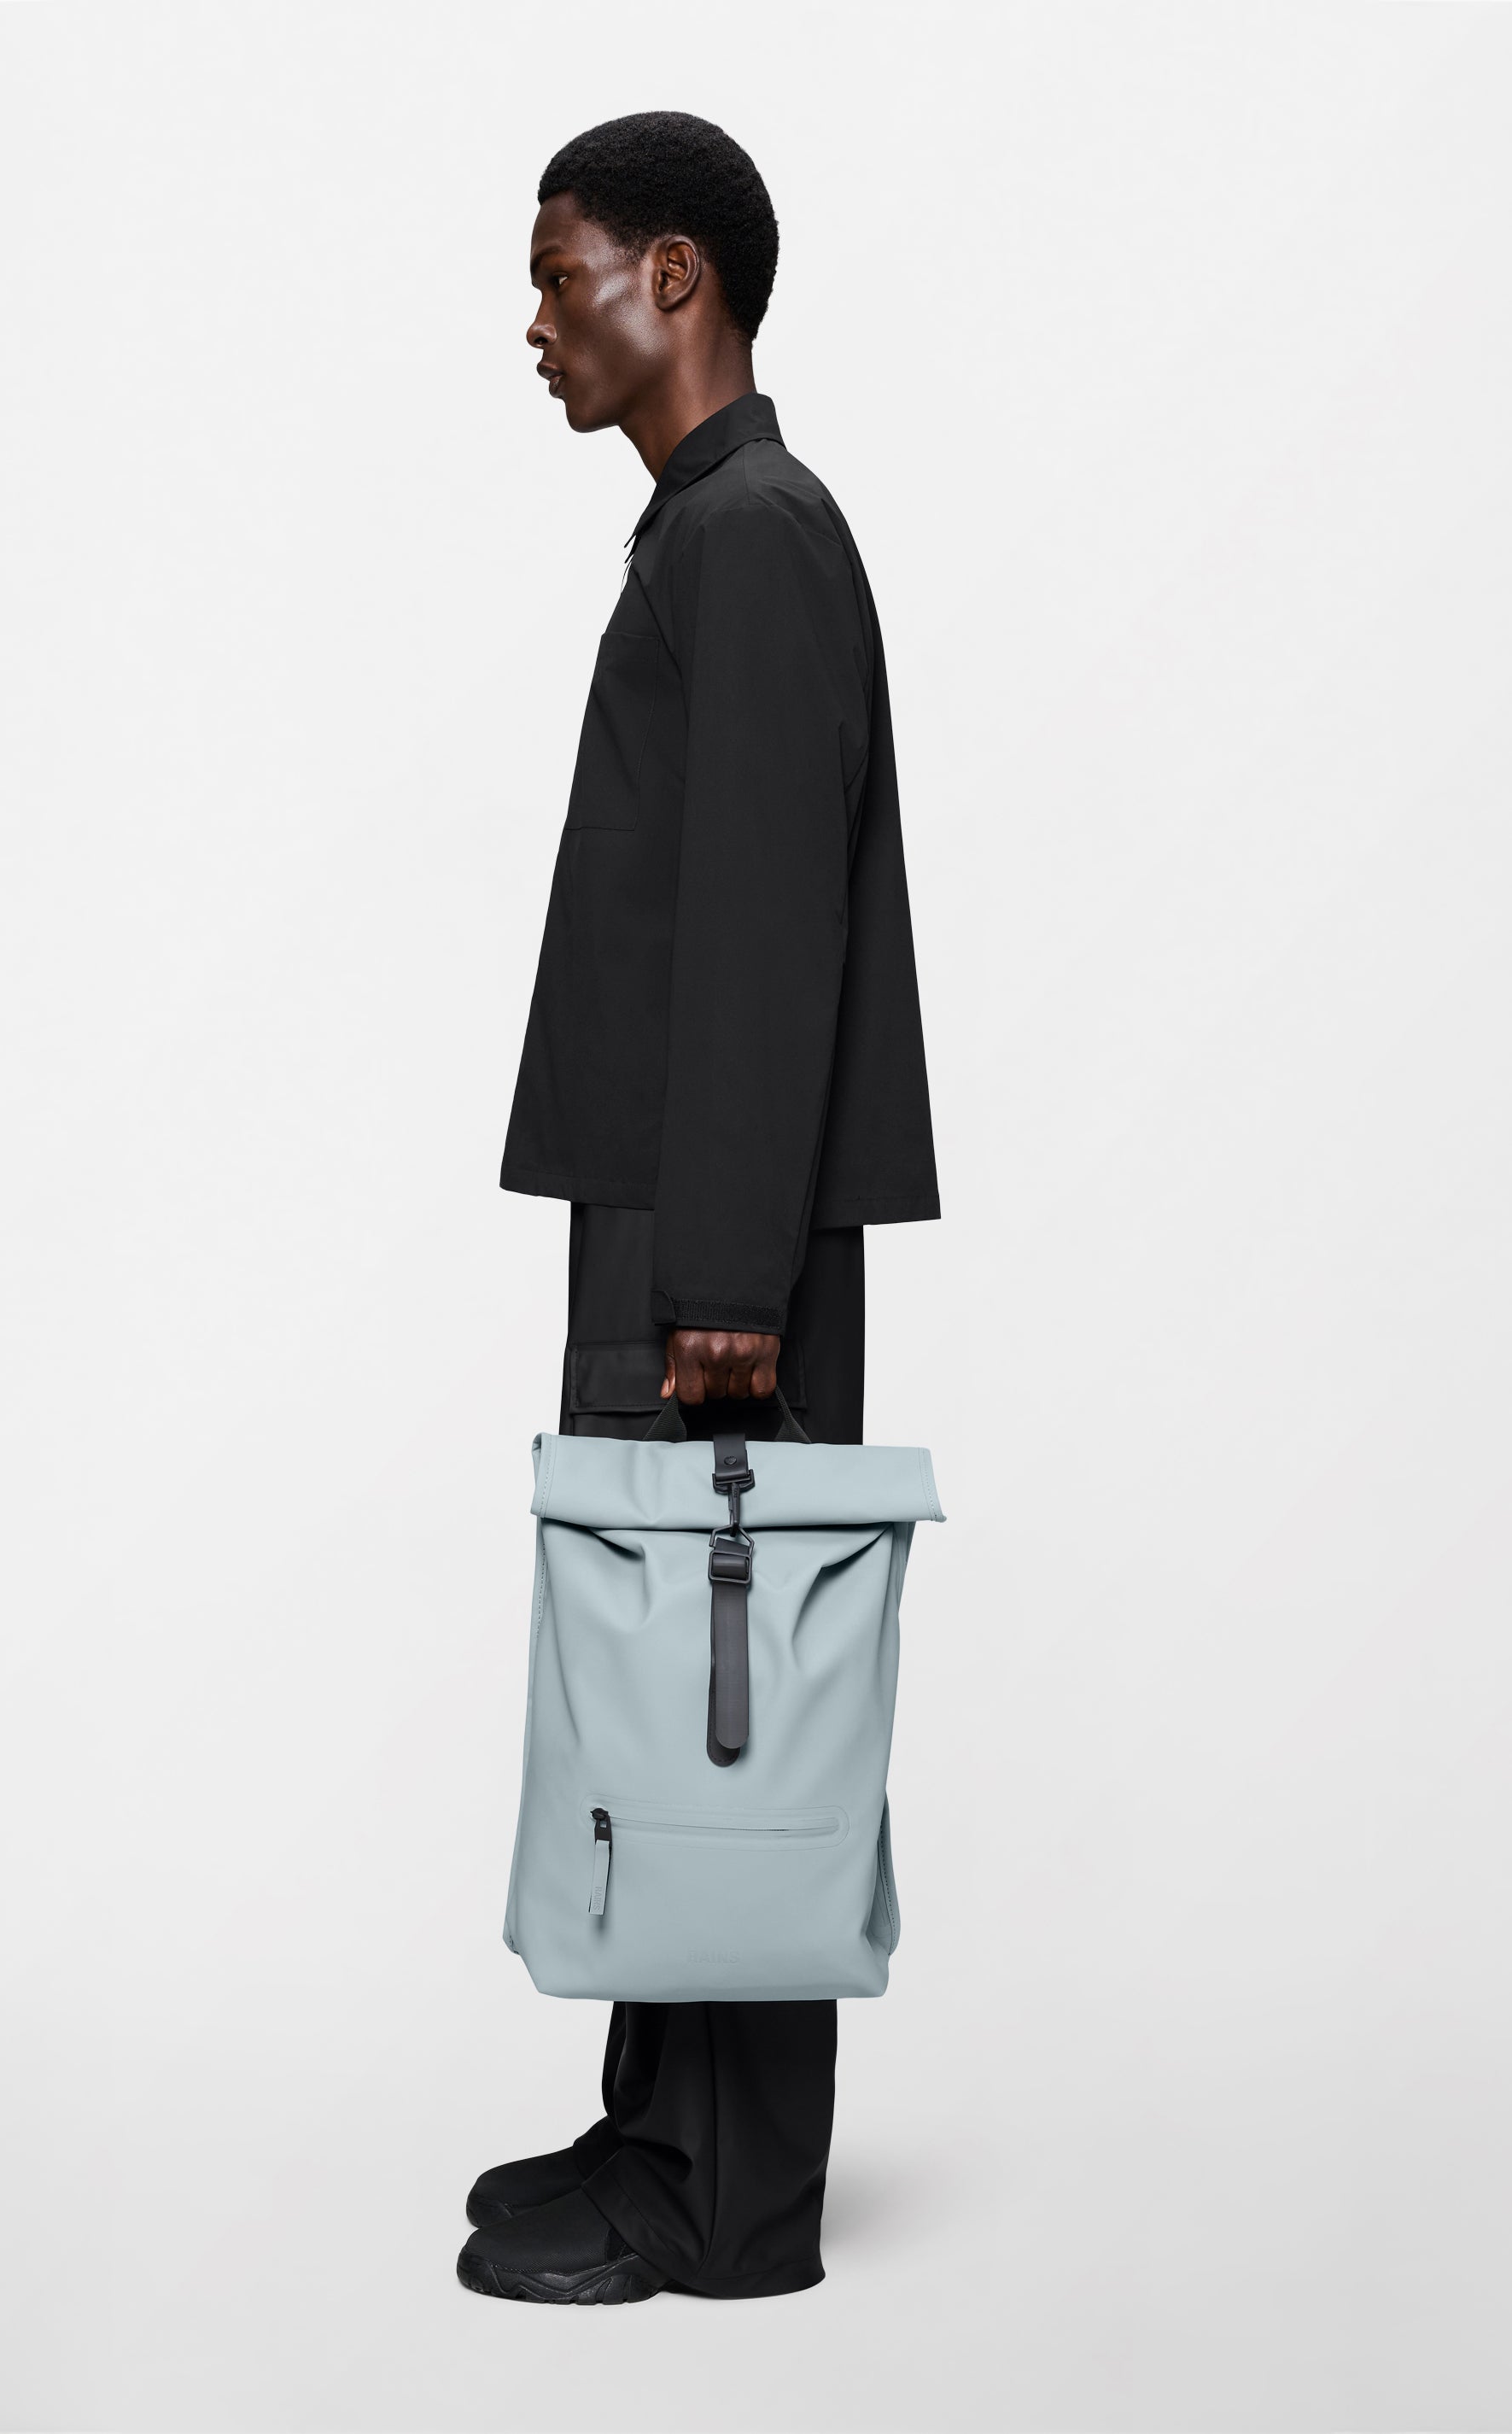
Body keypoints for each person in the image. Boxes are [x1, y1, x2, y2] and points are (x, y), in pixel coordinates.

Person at [458, 111, 938, 2305]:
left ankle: (727, 2206)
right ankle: (659, 2121)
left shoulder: (755, 535)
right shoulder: (706, 528)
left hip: (715, 1238)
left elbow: (764, 922)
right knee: (666, 1676)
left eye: (555, 275)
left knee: (727, 1681)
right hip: (670, 1206)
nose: (534, 322)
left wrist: (728, 1270)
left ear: (675, 274)